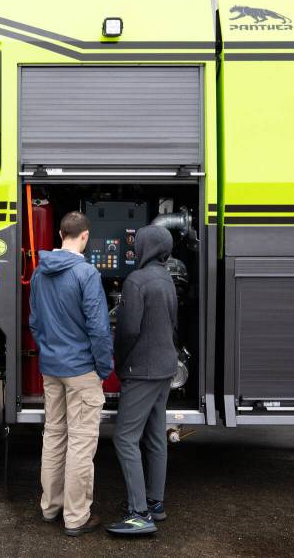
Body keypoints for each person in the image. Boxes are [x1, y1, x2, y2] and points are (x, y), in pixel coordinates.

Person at [28, 211, 113, 537]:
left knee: (54, 436)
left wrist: (50, 350)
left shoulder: (39, 272)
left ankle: (50, 507)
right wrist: (103, 368)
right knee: (80, 443)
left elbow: (35, 322)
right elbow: (99, 328)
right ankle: (76, 517)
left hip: (52, 369)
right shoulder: (86, 273)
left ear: (60, 234)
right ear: (85, 236)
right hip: (81, 371)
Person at [105, 224, 178, 536]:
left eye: (138, 244)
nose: (133, 249)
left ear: (147, 247)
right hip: (165, 367)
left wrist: (120, 362)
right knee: (155, 436)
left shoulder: (136, 281)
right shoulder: (167, 279)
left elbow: (128, 331)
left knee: (124, 438)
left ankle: (139, 514)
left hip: (142, 370)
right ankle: (155, 503)